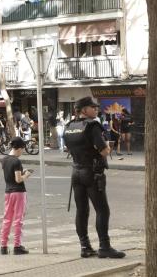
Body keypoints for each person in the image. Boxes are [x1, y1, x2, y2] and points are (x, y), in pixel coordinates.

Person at [64, 96, 125, 259]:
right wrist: (108, 147)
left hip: (76, 172)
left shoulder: (69, 126)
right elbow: (104, 151)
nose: (96, 109)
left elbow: (68, 149)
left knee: (82, 211)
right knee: (102, 210)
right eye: (93, 107)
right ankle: (104, 246)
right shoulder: (93, 126)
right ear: (84, 110)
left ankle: (85, 247)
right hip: (92, 173)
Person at [0, 137, 32, 255]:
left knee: (7, 219)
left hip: (8, 192)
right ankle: (17, 246)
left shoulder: (4, 159)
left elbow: (10, 176)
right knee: (18, 219)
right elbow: (18, 180)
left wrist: (21, 173)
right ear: (18, 148)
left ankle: (3, 246)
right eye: (22, 149)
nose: (22, 152)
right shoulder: (16, 161)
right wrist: (27, 175)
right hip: (18, 192)